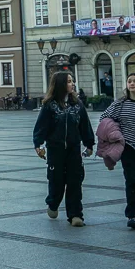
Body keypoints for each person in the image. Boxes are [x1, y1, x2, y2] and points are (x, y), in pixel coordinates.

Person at [32, 72, 94, 226]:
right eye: (68, 81)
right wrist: (38, 144)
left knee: (75, 180)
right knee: (56, 181)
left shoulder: (77, 104)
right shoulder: (50, 105)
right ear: (60, 84)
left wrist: (89, 143)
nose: (72, 84)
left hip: (74, 149)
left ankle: (75, 215)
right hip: (55, 149)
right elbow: (41, 126)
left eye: (72, 81)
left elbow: (85, 125)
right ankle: (53, 202)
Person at [102, 74, 135, 229]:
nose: (131, 84)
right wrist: (115, 130)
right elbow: (104, 117)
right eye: (129, 81)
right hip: (127, 146)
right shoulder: (120, 103)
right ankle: (133, 215)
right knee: (132, 180)